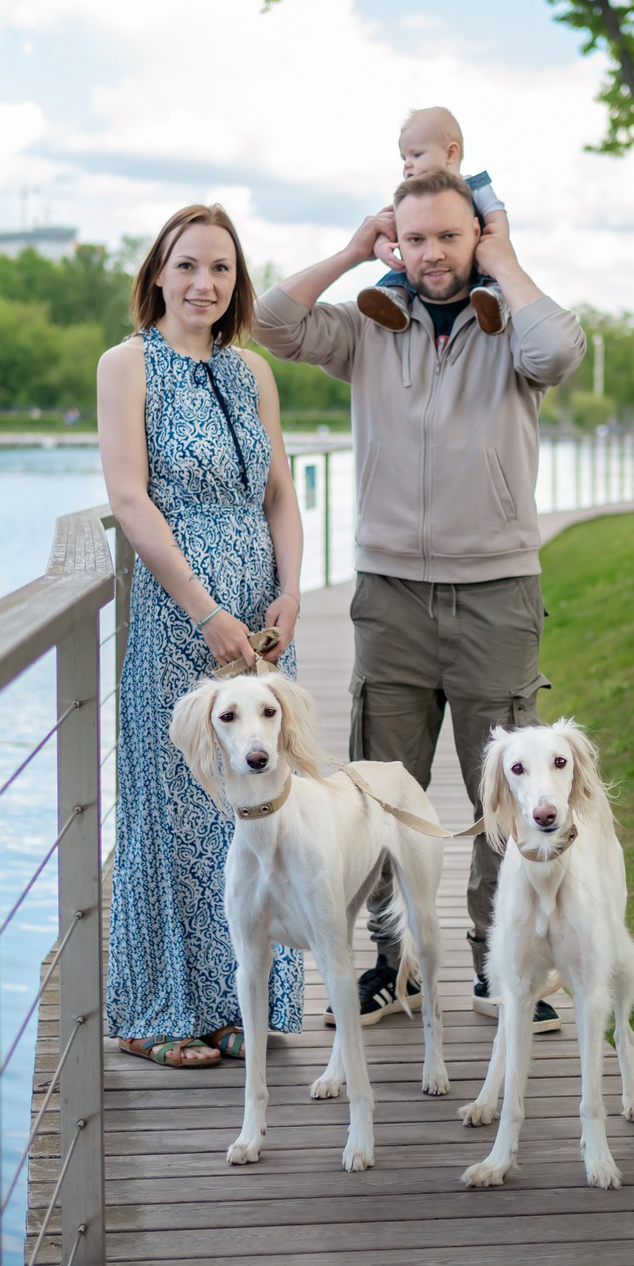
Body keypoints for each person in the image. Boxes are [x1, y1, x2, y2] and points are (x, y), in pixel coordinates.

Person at [254, 166, 585, 1032]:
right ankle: (390, 967)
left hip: (497, 595)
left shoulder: (510, 327)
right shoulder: (369, 327)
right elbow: (270, 321)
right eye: (416, 238)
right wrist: (355, 250)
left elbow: (562, 349)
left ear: (476, 235)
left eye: (451, 234)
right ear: (394, 240)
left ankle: (497, 963)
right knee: (380, 795)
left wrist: (503, 257)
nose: (433, 254)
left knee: (502, 798)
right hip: (392, 594)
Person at [98, 203, 306, 1067]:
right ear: (157, 274)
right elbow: (129, 499)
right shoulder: (127, 364)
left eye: (219, 268)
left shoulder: (252, 371)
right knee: (173, 810)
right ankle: (159, 1011)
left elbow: (281, 494)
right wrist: (204, 610)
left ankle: (239, 1004)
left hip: (261, 631)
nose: (203, 283)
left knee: (253, 816)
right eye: (186, 266)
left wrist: (291, 591)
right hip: (183, 623)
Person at [358, 107, 507, 338]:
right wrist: (381, 247)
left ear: (450, 154)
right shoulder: (409, 196)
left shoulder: (475, 186)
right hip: (423, 271)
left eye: (416, 155)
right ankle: (394, 300)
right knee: (400, 274)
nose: (407, 164)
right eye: (404, 158)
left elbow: (496, 212)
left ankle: (492, 304)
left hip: (476, 260)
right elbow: (386, 225)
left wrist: (496, 243)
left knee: (492, 278)